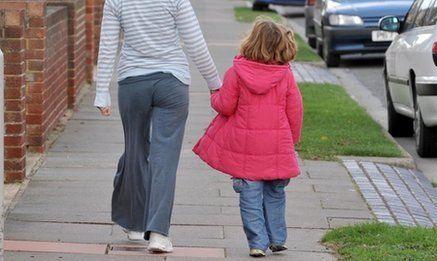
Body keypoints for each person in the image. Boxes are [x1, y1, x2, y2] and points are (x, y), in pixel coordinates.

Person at [94, 0, 221, 253]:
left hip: (132, 83)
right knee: (165, 159)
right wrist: (214, 82)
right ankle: (159, 234)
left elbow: (108, 45)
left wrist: (102, 92)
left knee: (135, 151)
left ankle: (134, 224)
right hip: (172, 82)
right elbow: (195, 42)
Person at [193, 18, 303, 258]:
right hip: (276, 146)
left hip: (246, 148)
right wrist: (291, 141)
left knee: (250, 196)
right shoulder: (285, 75)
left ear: (250, 42)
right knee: (276, 193)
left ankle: (257, 242)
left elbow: (226, 106)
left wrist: (214, 94)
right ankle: (278, 238)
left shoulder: (236, 73)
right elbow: (295, 111)